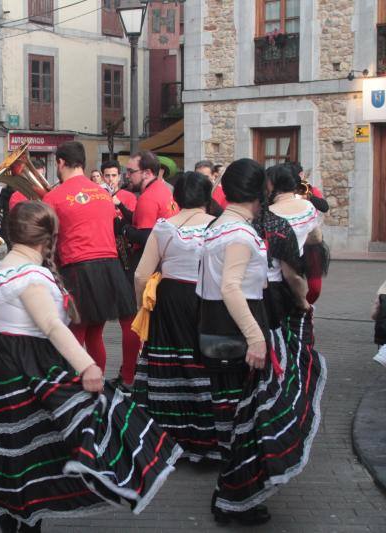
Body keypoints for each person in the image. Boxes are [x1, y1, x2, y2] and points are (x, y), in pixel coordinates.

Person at [0, 201, 181, 532]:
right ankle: (26, 518)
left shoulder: (2, 267)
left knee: (11, 450)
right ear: (48, 239)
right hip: (27, 368)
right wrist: (87, 366)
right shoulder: (30, 276)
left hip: (1, 368)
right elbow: (53, 326)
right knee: (35, 449)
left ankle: (15, 517)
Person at [197, 159, 325, 525]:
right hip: (236, 329)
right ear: (259, 193)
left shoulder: (220, 225)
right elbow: (231, 287)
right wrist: (256, 337)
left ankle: (231, 493)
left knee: (233, 416)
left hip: (215, 326)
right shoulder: (237, 232)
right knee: (247, 418)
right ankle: (234, 499)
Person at [131, 172, 220, 462]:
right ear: (206, 196)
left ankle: (169, 439)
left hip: (169, 300)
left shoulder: (164, 227)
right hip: (206, 298)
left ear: (177, 197)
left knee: (169, 365)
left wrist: (141, 307)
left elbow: (141, 275)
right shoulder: (218, 227)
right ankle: (205, 439)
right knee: (202, 365)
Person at [43, 141, 136, 374]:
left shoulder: (54, 197)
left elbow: (48, 239)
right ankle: (99, 383)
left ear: (61, 162)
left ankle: (77, 386)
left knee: (75, 334)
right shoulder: (104, 193)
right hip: (109, 268)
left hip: (78, 268)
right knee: (95, 334)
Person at [115, 151, 178, 384]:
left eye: (131, 171)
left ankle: (131, 376)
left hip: (149, 267)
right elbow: (143, 221)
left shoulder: (149, 197)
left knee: (134, 320)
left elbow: (146, 235)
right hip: (164, 266)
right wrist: (123, 210)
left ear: (148, 172)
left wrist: (121, 228)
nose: (127, 176)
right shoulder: (161, 190)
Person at [268, 163, 327, 304]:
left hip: (304, 250)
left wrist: (307, 197)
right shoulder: (270, 208)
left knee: (312, 287)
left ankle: (305, 305)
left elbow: (324, 206)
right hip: (285, 266)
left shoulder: (308, 193)